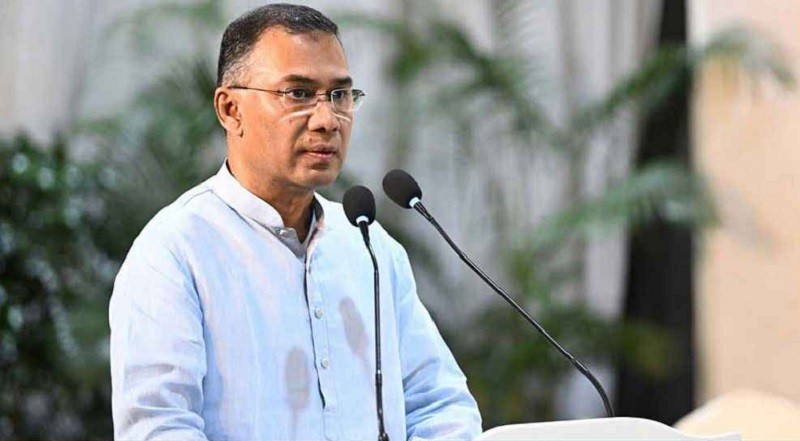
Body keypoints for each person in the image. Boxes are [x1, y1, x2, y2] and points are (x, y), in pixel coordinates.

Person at [109, 3, 482, 440]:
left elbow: (440, 404)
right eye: (298, 94)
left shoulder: (369, 247)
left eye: (340, 95)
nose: (327, 121)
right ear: (230, 109)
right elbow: (159, 427)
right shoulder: (175, 252)